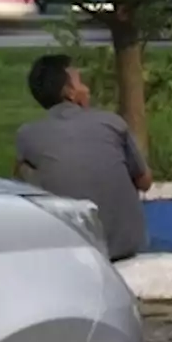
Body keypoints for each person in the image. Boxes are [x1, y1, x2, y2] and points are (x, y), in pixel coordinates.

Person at [15, 54, 152, 261]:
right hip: (124, 244)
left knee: (23, 171)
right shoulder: (111, 123)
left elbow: (20, 184)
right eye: (81, 82)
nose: (87, 88)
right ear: (69, 92)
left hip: (69, 247)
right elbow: (144, 181)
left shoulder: (28, 135)